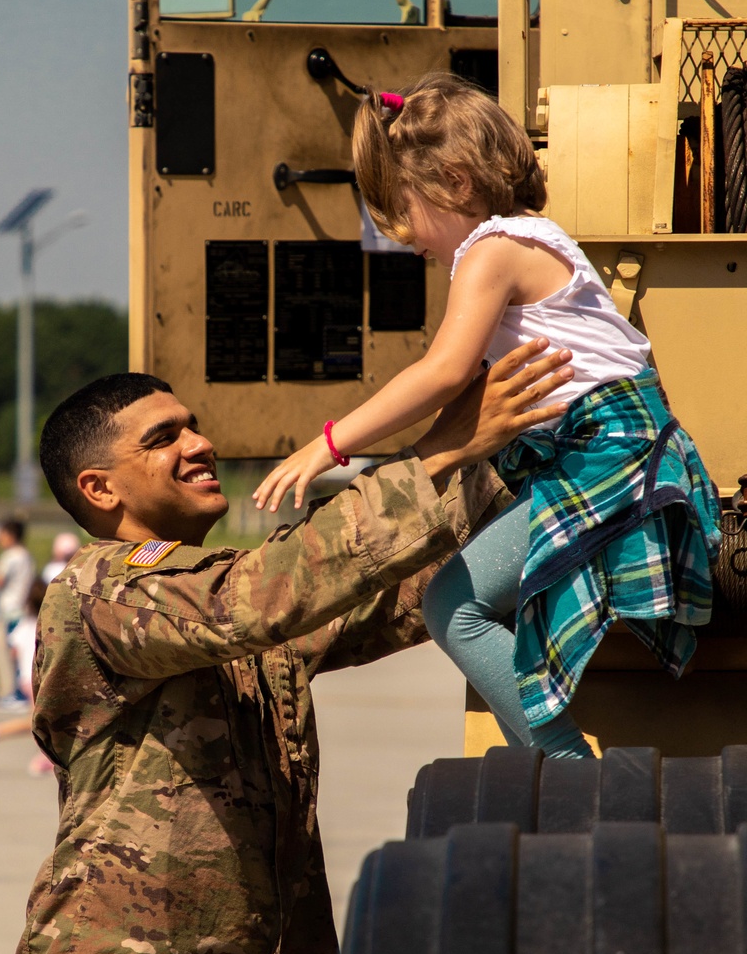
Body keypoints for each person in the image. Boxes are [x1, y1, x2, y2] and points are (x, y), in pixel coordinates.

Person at [0, 346, 573, 954]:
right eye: (162, 438)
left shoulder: (222, 605)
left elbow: (392, 592)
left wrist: (509, 460)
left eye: (193, 425)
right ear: (99, 488)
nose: (198, 443)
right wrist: (441, 449)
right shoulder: (101, 593)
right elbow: (259, 598)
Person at [254, 75, 720, 762]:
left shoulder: (491, 250)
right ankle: (545, 762)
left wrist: (330, 444)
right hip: (615, 446)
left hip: (608, 454)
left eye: (405, 213)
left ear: (456, 182)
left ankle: (567, 766)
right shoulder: (532, 237)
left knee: (454, 609)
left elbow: (443, 372)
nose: (406, 239)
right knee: (463, 601)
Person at [0, 577, 53, 776]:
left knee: (41, 720)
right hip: (39, 679)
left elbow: (13, 650)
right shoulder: (48, 626)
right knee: (37, 721)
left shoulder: (24, 625)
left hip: (26, 679)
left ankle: (46, 755)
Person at [0, 519, 35, 702]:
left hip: (13, 611)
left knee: (15, 653)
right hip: (24, 609)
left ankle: (19, 693)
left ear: (10, 535)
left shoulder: (10, 556)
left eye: (2, 535)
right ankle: (22, 691)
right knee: (24, 652)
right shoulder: (26, 555)